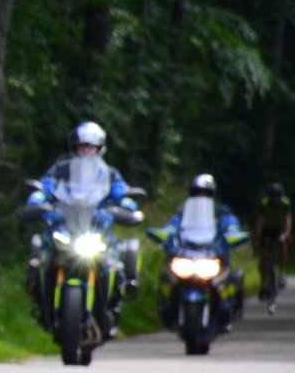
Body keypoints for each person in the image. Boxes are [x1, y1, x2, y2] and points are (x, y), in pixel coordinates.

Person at [23, 120, 137, 311]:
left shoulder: (109, 173)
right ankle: (36, 287)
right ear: (74, 148)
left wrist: (127, 204)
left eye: (91, 148)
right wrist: (37, 199)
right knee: (43, 246)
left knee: (114, 258)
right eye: (82, 147)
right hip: (65, 226)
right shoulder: (61, 169)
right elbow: (46, 187)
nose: (86, 152)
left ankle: (117, 296)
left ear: (99, 150)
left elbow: (120, 191)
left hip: (96, 228)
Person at [150, 173, 249, 328]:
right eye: (197, 192)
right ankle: (166, 310)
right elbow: (172, 226)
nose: (201, 195)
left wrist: (232, 233)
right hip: (187, 254)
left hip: (212, 253)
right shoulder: (183, 211)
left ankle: (229, 309)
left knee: (230, 277)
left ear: (211, 194)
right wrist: (166, 235)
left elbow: (231, 224)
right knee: (167, 275)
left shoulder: (221, 211)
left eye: (205, 192)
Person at [255, 182, 290, 311]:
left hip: (279, 230)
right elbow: (260, 221)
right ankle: (264, 282)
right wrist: (258, 237)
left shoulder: (285, 204)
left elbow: (287, 220)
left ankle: (282, 272)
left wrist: (286, 234)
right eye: (274, 197)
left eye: (279, 197)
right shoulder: (264, 204)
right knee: (263, 258)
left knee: (282, 245)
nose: (277, 199)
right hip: (266, 230)